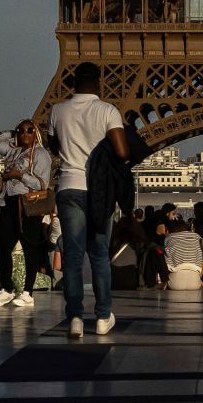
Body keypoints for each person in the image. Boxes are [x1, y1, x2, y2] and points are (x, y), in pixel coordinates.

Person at [46, 61, 127, 337]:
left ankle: (75, 319)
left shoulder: (57, 111)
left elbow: (53, 146)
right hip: (99, 190)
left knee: (72, 257)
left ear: (71, 82)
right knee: (100, 255)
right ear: (99, 83)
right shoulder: (107, 111)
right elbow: (121, 150)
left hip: (69, 186)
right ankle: (103, 316)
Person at [0, 121, 54, 308]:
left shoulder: (41, 154)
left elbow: (42, 185)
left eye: (30, 130)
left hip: (28, 204)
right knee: (2, 247)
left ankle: (27, 292)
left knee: (29, 248)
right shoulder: (13, 151)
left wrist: (19, 175)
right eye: (21, 131)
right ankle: (7, 289)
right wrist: (11, 132)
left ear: (36, 133)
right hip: (9, 202)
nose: (25, 133)